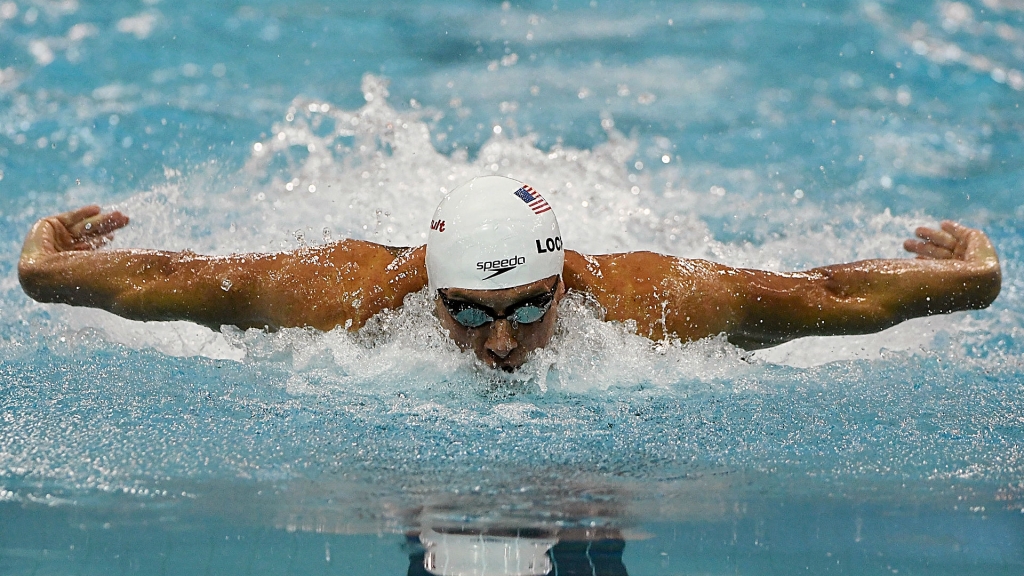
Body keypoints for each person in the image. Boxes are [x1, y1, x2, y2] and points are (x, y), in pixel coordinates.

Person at [18, 176, 1001, 371]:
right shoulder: (350, 300)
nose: (501, 342)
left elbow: (824, 298)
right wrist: (47, 270)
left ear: (566, 280)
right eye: (469, 313)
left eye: (532, 306)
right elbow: (177, 283)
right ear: (428, 290)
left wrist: (973, 280)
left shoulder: (653, 301)